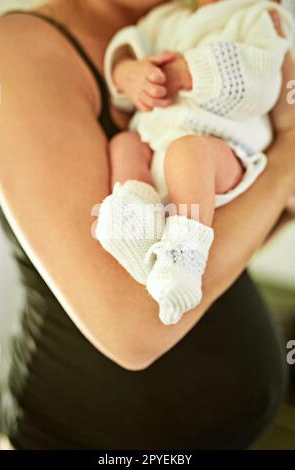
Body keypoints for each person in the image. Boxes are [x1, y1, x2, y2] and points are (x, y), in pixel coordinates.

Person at [0, 0, 295, 450]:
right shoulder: (21, 50)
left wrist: (276, 200)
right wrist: (289, 156)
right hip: (73, 437)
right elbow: (134, 332)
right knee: (129, 149)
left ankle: (162, 239)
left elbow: (232, 245)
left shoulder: (244, 19)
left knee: (184, 163)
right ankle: (129, 217)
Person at [96, 0, 294, 325]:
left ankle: (185, 255)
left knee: (188, 152)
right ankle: (134, 220)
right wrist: (128, 74)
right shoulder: (165, 18)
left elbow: (263, 83)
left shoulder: (257, 17)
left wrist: (189, 73)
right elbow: (127, 48)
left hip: (222, 151)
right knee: (124, 145)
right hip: (157, 144)